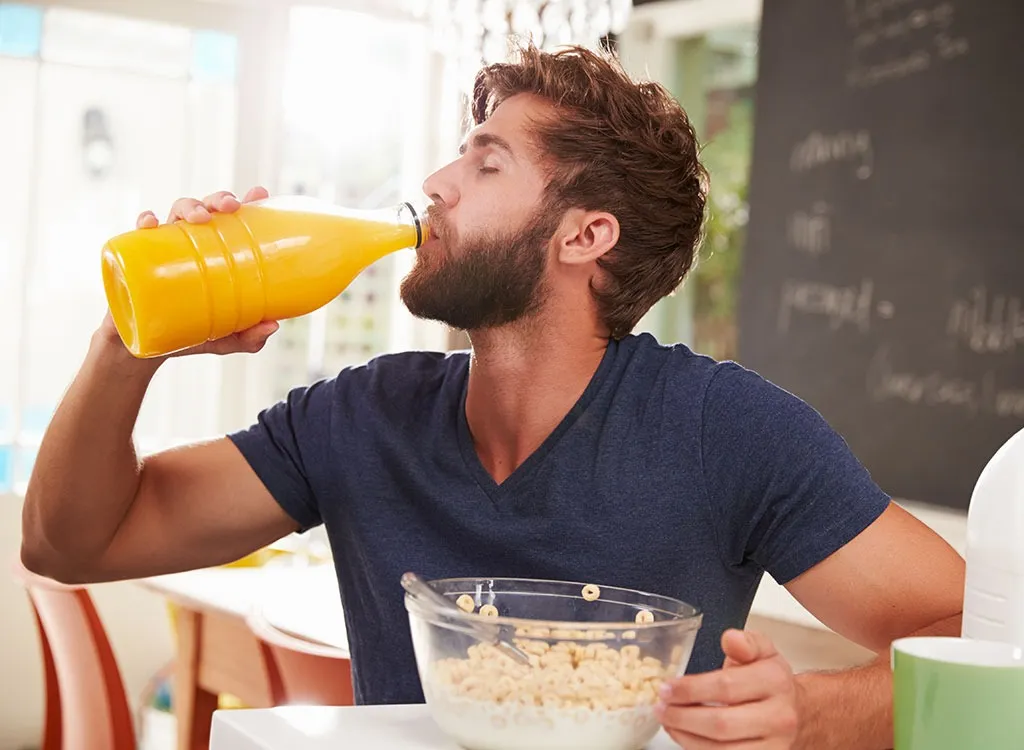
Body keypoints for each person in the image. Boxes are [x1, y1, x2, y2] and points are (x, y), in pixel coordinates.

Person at [22, 44, 963, 749]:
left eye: (486, 163)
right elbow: (72, 541)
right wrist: (129, 343)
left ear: (585, 236)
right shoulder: (365, 414)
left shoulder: (728, 432)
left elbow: (971, 636)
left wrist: (814, 711)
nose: (435, 185)